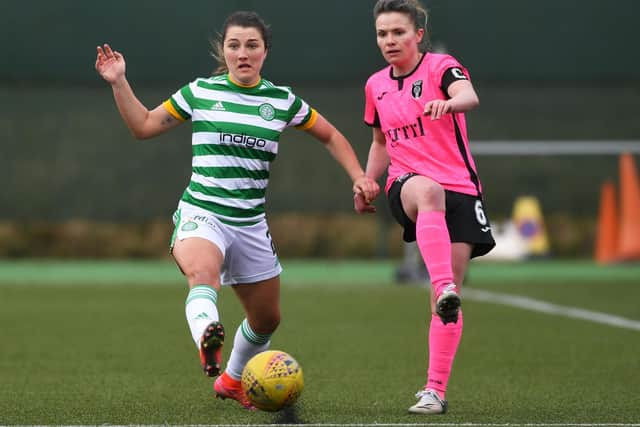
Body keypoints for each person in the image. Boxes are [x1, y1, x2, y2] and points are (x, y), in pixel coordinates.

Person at [95, 10, 379, 409]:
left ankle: (231, 379)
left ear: (265, 52)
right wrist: (119, 81)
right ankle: (207, 336)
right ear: (223, 51)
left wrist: (359, 176)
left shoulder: (281, 101)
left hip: (249, 224)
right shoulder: (200, 92)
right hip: (202, 212)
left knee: (267, 320)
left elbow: (330, 134)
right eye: (234, 45)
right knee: (202, 274)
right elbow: (142, 125)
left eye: (252, 45)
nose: (242, 53)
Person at [355, 0, 495, 415]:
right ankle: (443, 286)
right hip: (408, 184)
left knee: (445, 307)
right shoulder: (376, 85)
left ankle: (434, 390)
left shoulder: (440, 67)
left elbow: (469, 95)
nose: (389, 41)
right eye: (382, 34)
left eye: (398, 32)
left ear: (417, 35)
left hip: (463, 191)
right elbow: (381, 143)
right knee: (428, 192)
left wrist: (448, 103)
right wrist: (367, 181)